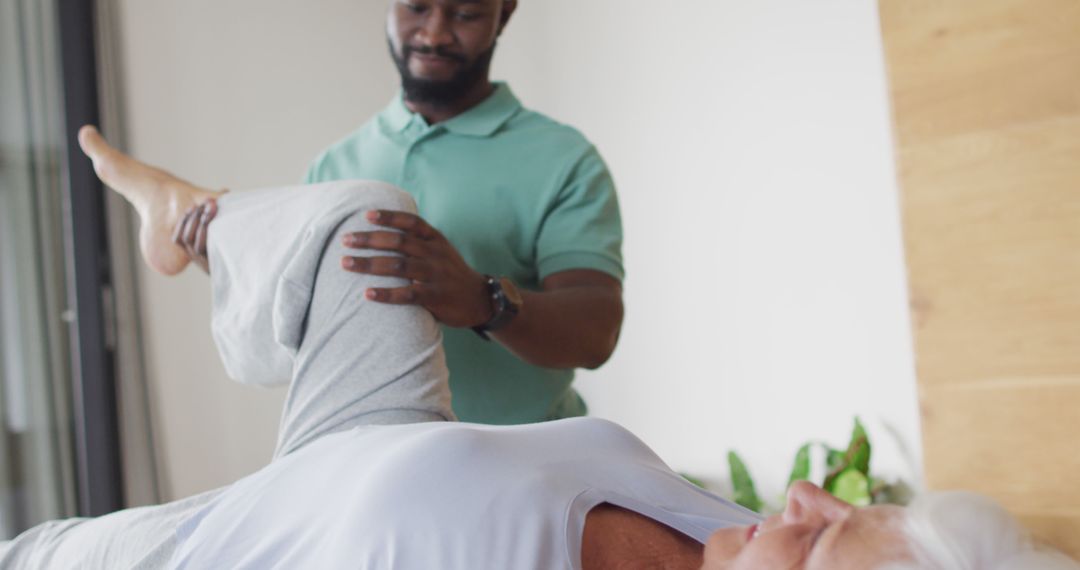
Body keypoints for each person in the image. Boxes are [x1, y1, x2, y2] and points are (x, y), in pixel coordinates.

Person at [2, 129, 1078, 569]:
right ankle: (190, 225)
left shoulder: (559, 166)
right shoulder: (724, 536)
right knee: (367, 219)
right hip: (372, 437)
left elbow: (594, 326)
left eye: (820, 545)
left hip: (241, 541)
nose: (801, 495)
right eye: (845, 509)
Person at [171, 0, 627, 426]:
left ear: (503, 13)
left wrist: (482, 300)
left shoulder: (563, 159)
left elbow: (596, 332)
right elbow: (306, 340)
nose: (433, 34)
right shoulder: (333, 167)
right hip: (371, 469)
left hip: (523, 473)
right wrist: (238, 271)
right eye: (416, 6)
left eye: (465, 13)